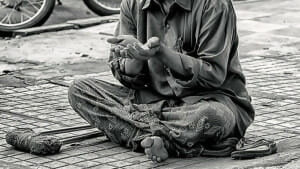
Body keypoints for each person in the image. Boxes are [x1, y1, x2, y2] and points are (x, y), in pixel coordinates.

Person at [68, 0, 255, 162]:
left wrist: (161, 53)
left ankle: (143, 133)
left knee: (214, 117)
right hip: (152, 102)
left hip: (210, 100)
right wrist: (136, 56)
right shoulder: (132, 4)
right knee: (79, 89)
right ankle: (167, 139)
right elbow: (125, 73)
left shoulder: (214, 5)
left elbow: (213, 74)